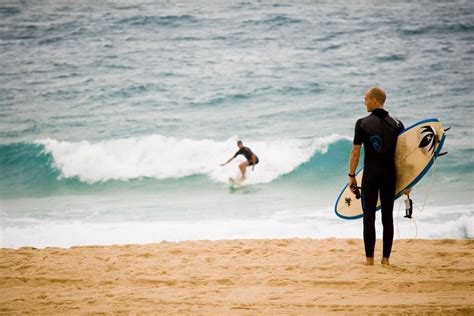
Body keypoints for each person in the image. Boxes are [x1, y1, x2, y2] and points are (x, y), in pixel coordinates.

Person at [348, 87, 406, 266]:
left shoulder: (362, 123)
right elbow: (404, 155)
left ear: (374, 100)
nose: (364, 101)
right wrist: (408, 182)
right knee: (387, 218)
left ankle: (369, 261)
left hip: (371, 176)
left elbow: (355, 153)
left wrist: (351, 176)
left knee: (369, 217)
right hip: (390, 175)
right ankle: (386, 260)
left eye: (366, 98)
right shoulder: (397, 124)